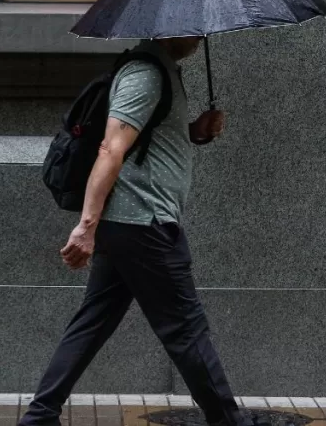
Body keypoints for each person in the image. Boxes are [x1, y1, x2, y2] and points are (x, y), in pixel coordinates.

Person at [18, 37, 247, 426]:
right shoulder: (145, 73)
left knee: (93, 321)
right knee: (186, 328)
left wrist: (193, 130)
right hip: (143, 223)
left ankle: (40, 415)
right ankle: (228, 420)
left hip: (133, 224)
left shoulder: (163, 73)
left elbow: (148, 138)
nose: (199, 38)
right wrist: (86, 226)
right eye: (193, 29)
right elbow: (111, 148)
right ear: (170, 30)